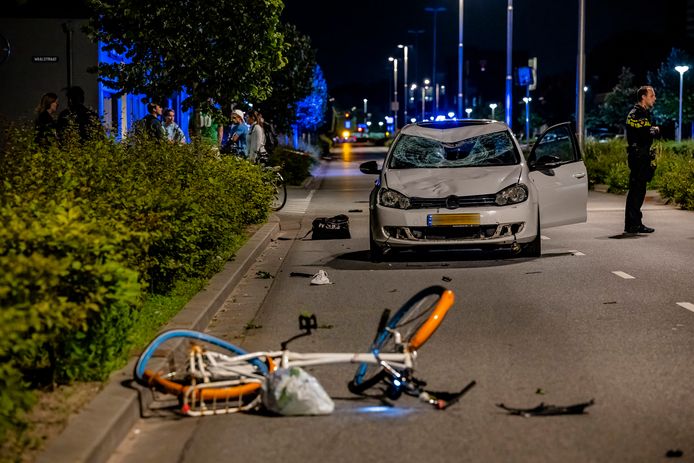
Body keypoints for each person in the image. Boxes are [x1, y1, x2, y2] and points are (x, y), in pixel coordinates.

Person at [624, 85, 659, 234]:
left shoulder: (643, 113)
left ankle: (636, 223)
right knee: (636, 190)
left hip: (642, 155)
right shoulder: (635, 113)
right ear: (643, 97)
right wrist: (654, 130)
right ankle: (632, 224)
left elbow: (646, 131)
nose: (654, 99)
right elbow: (645, 131)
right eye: (652, 96)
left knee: (640, 190)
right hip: (638, 155)